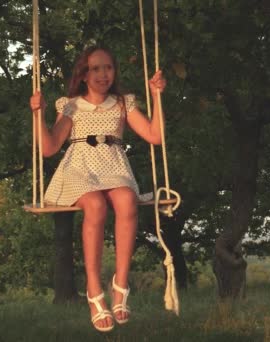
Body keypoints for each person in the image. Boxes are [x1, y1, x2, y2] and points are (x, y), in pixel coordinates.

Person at [29, 46, 166, 332]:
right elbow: (50, 148)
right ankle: (93, 290)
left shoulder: (122, 103)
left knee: (127, 200)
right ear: (83, 74)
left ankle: (120, 284)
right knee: (95, 205)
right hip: (80, 166)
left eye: (108, 68)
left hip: (113, 165)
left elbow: (154, 136)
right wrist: (38, 116)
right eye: (96, 69)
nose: (103, 74)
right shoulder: (70, 105)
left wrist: (156, 97)